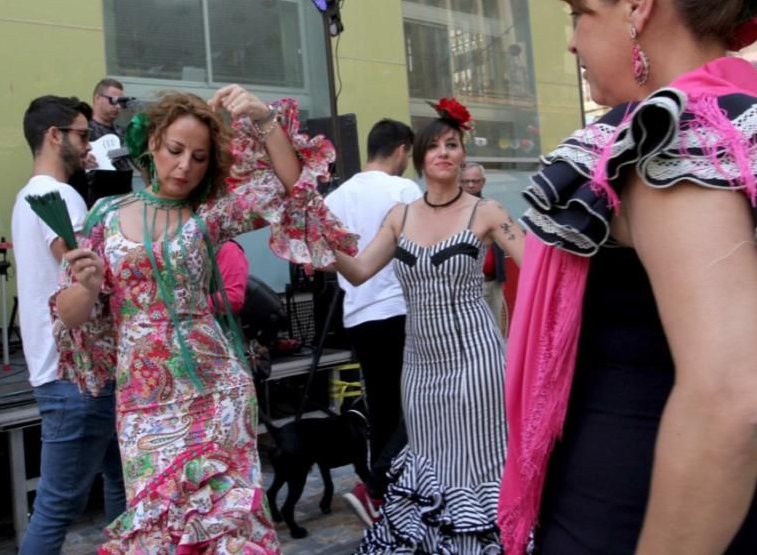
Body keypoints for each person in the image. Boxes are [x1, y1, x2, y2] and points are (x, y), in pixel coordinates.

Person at [497, 0, 757, 555]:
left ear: (635, 1)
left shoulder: (669, 139)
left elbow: (730, 394)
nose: (572, 38)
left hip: (635, 516)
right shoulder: (727, 122)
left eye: (579, 13)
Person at [53, 85, 355, 553]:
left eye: (198, 157)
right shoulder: (104, 218)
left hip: (218, 393)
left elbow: (289, 186)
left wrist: (263, 117)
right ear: (152, 143)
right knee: (161, 535)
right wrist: (89, 286)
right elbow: (70, 315)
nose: (185, 167)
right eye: (176, 150)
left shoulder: (209, 216)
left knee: (226, 533)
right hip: (144, 403)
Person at [332, 99, 525, 552]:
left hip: (476, 362)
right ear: (417, 156)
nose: (443, 152)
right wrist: (321, 241)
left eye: (452, 144)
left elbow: (537, 268)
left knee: (478, 462)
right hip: (419, 368)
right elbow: (359, 271)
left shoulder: (488, 212)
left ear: (462, 155)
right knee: (430, 460)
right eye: (433, 145)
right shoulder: (400, 216)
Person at [11, 95, 125, 554]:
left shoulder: (28, 194)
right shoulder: (57, 196)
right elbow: (86, 272)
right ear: (54, 135)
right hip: (75, 375)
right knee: (57, 507)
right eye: (81, 135)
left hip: (67, 372)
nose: (87, 145)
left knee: (124, 484)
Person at [324, 118, 421, 526]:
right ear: (401, 148)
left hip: (358, 312)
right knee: (413, 408)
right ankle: (388, 488)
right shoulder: (404, 190)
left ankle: (382, 496)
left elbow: (328, 257)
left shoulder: (336, 197)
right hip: (399, 308)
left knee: (380, 405)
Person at [461, 162, 509, 334]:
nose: (471, 185)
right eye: (466, 181)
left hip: (493, 281)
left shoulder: (492, 208)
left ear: (483, 182)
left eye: (475, 181)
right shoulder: (454, 212)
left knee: (496, 331)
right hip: (466, 286)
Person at [89, 78, 133, 172]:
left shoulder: (123, 133)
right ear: (97, 98)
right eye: (113, 100)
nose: (118, 106)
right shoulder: (83, 130)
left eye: (121, 102)